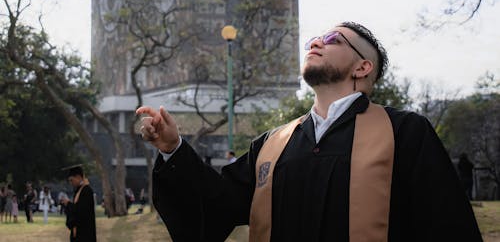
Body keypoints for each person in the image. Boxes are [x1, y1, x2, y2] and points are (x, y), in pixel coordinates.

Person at [138, 21, 483, 242]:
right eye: (313, 40)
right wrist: (173, 149)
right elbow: (214, 208)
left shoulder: (404, 133)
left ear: (363, 67)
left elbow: (447, 228)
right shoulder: (273, 144)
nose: (316, 43)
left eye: (333, 39)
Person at [60, 165, 96, 242]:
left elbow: (81, 211)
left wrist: (68, 204)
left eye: (71, 180)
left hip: (85, 234)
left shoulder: (86, 191)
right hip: (78, 233)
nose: (71, 183)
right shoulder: (79, 190)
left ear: (78, 177)